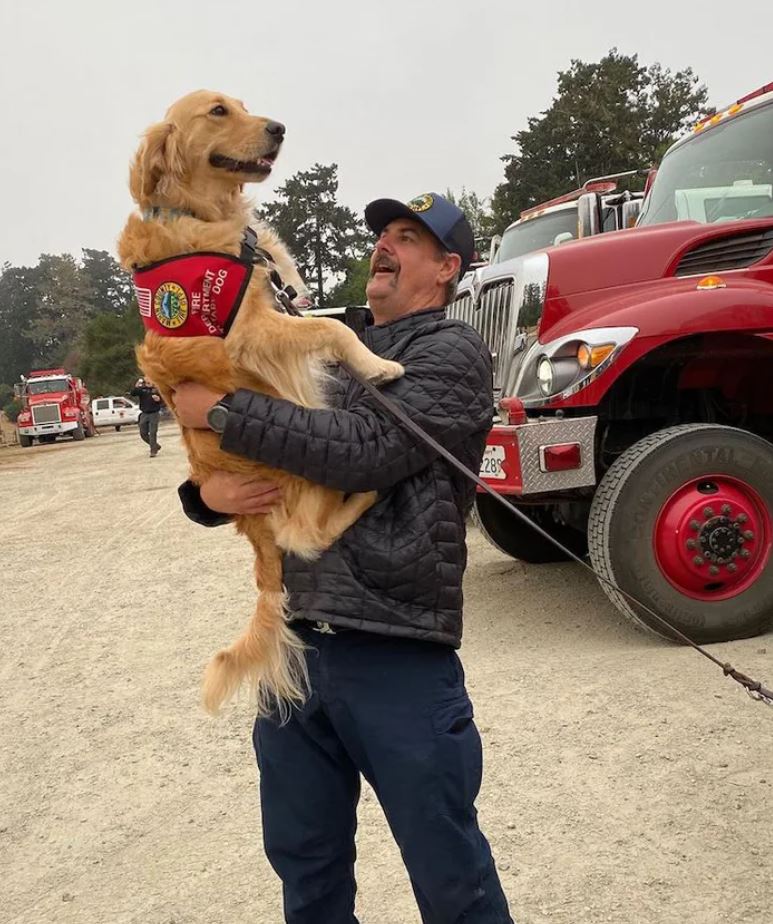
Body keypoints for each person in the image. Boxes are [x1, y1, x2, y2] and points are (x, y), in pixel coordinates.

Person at [173, 193, 514, 924]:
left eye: (407, 238)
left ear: (446, 268)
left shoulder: (449, 353)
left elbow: (363, 451)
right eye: (382, 234)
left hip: (395, 650)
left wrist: (221, 410)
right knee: (307, 869)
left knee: (450, 876)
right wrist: (209, 496)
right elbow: (263, 447)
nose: (383, 246)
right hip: (292, 648)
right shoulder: (326, 342)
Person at [130, 377, 163, 457]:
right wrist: (137, 384)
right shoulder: (142, 389)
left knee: (152, 432)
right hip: (144, 413)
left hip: (154, 413)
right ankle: (155, 445)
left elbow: (163, 401)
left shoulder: (157, 389)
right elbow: (133, 393)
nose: (148, 382)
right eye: (147, 381)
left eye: (150, 380)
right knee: (143, 433)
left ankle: (153, 451)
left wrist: (159, 400)